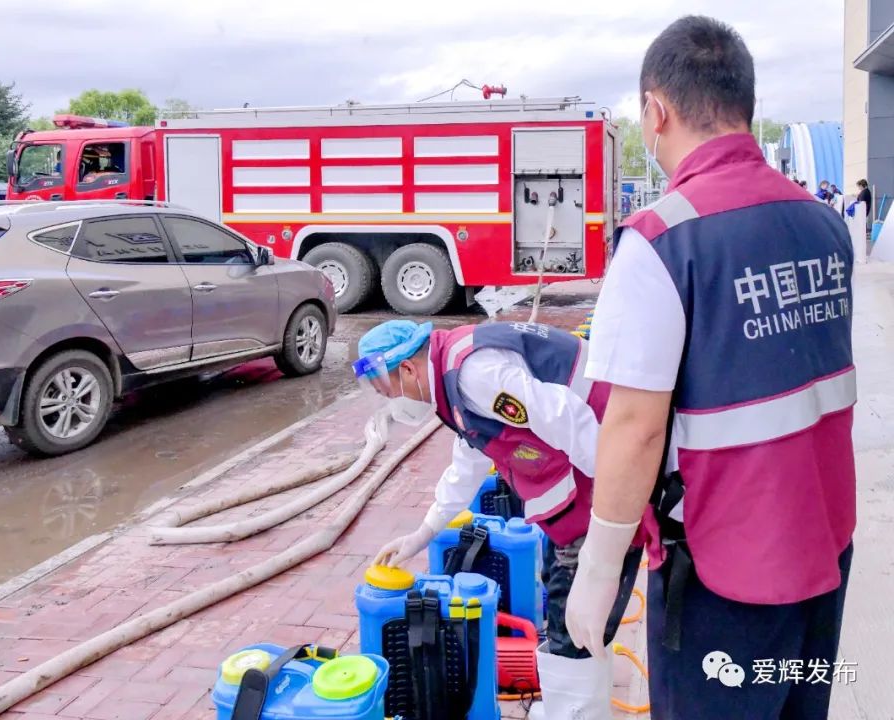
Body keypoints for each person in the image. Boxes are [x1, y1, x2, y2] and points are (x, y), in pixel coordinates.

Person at [565, 15, 855, 720]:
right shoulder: (824, 224)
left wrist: (598, 576)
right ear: (744, 105)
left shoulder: (662, 242)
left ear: (656, 112)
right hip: (825, 552)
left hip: (725, 580)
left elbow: (633, 429)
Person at [355, 319, 649, 720]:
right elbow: (471, 459)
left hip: (603, 481)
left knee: (574, 624)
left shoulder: (475, 374)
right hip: (587, 486)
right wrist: (423, 534)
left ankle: (576, 711)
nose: (396, 402)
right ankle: (574, 706)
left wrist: (609, 518)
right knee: (574, 613)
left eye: (390, 392)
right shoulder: (453, 377)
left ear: (407, 368)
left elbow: (568, 418)